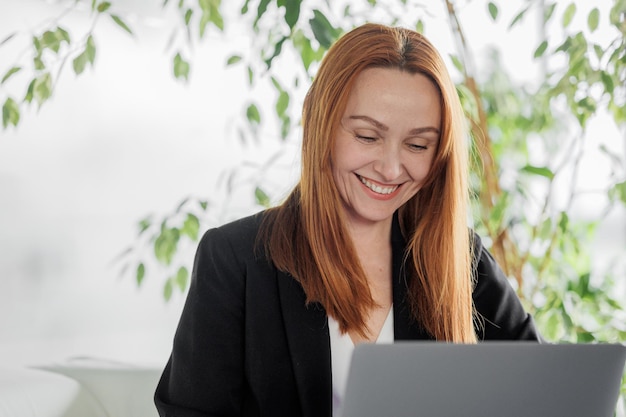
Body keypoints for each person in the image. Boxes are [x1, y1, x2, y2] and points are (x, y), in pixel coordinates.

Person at [154, 23, 543, 417]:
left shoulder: (462, 261)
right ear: (318, 122)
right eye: (367, 136)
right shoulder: (235, 262)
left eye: (417, 144)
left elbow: (551, 393)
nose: (391, 169)